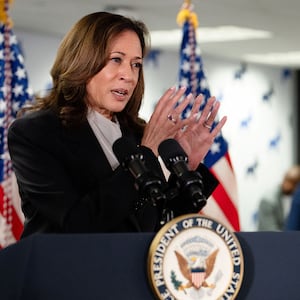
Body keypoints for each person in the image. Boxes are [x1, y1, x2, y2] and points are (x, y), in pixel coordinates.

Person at [7, 11, 226, 238]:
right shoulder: (35, 133)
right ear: (82, 60)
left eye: (136, 65)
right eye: (116, 60)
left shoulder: (136, 134)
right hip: (67, 271)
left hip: (133, 272)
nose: (129, 76)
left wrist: (187, 164)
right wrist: (146, 153)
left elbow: (159, 225)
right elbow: (75, 223)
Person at [257, 165, 300, 231]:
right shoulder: (268, 200)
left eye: (292, 182)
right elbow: (271, 231)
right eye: (286, 180)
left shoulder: (296, 198)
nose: (287, 185)